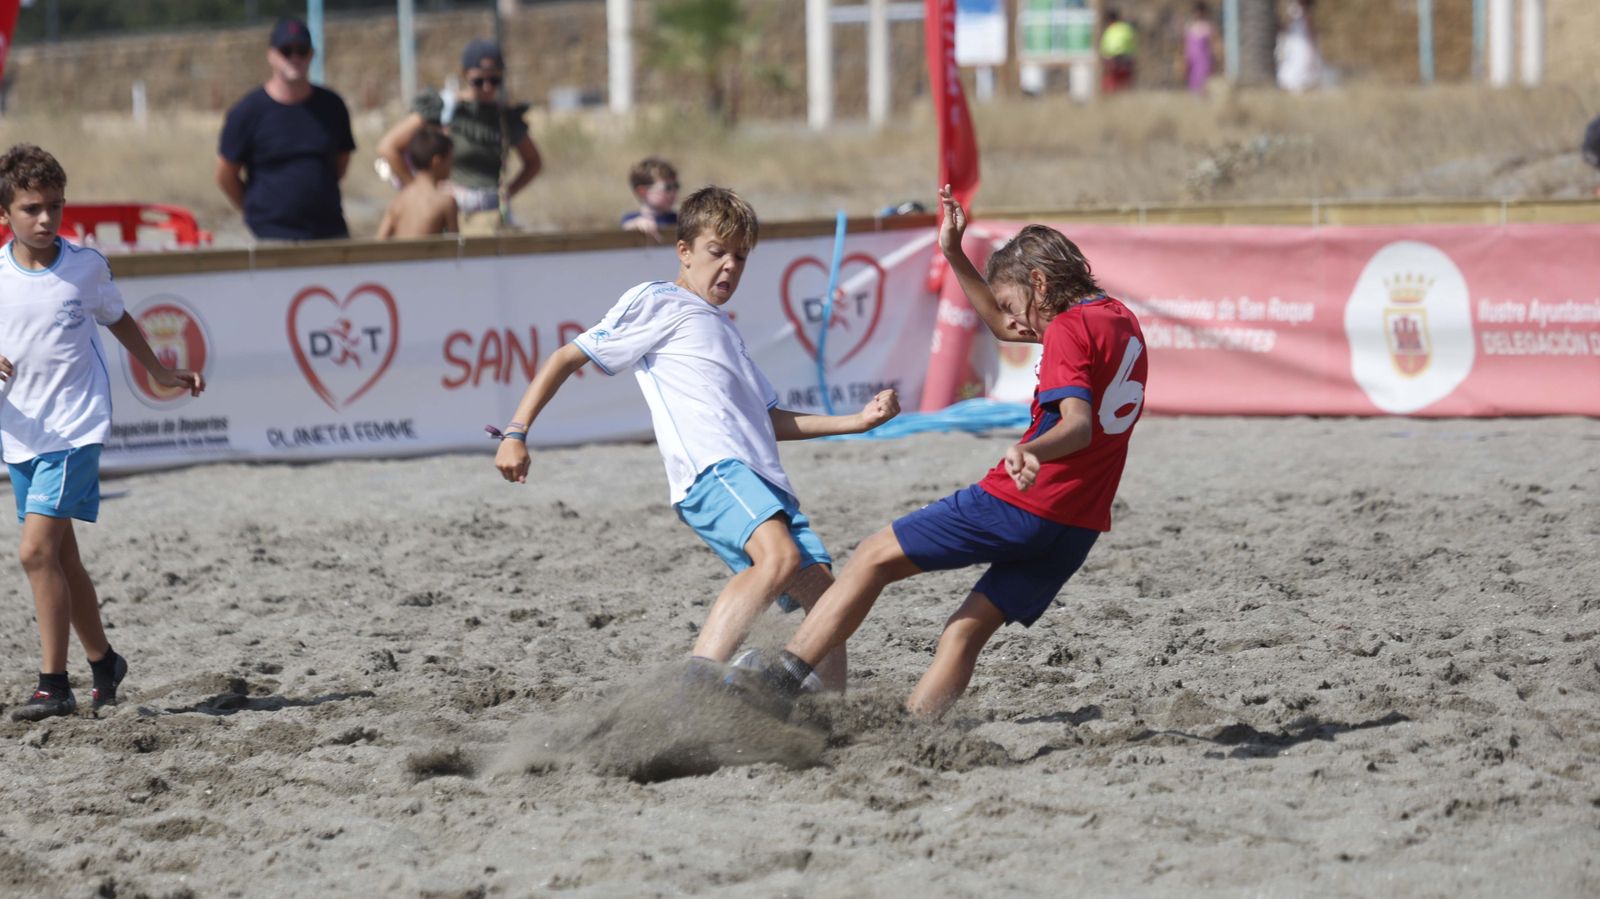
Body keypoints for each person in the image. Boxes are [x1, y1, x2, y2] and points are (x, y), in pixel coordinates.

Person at [727, 184, 1148, 721]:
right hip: (1077, 525)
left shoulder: (1065, 328)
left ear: (1040, 283)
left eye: (1019, 306)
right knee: (963, 634)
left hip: (1025, 501)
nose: (1016, 324)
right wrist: (953, 250)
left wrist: (1029, 450)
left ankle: (779, 681)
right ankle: (914, 731)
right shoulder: (1116, 318)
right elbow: (1004, 325)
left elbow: (1079, 426)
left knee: (872, 557)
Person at [492, 186, 900, 689]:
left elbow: (770, 420)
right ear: (684, 251)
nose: (729, 265)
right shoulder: (660, 299)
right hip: (714, 470)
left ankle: (822, 713)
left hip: (761, 479)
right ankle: (694, 689)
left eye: (740, 256)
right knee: (779, 559)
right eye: (717, 251)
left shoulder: (725, 330)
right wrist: (516, 432)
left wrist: (856, 422)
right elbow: (565, 357)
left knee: (828, 598)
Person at [0, 144, 206, 722]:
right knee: (63, 558)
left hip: (74, 428)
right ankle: (104, 661)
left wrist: (162, 371)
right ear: (6, 213)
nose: (46, 220)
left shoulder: (85, 266)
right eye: (31, 208)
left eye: (55, 207)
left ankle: (53, 684)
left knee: (35, 552)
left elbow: (118, 318)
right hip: (20, 433)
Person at [376, 39, 542, 237]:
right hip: (447, 207)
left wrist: (506, 195)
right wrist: (418, 190)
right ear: (465, 74)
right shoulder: (445, 109)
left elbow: (533, 162)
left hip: (489, 215)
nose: (487, 87)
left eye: (494, 80)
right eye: (479, 81)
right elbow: (388, 147)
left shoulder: (505, 118)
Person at [216, 17, 357, 241]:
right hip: (271, 236)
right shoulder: (247, 111)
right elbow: (226, 175)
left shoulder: (332, 106)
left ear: (311, 55)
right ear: (271, 55)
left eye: (301, 50)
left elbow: (341, 162)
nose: (294, 58)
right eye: (286, 50)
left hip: (329, 233)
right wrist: (255, 210)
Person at [377, 127, 458, 239]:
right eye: (450, 160)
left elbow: (380, 241)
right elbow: (457, 248)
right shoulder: (446, 202)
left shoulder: (399, 200)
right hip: (430, 256)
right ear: (437, 161)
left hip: (402, 256)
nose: (451, 167)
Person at [621, 157, 680, 242]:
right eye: (668, 187)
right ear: (642, 192)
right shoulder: (631, 218)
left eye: (676, 186)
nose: (673, 192)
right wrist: (638, 224)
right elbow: (625, 227)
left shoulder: (678, 219)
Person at [1276, 0, 1324, 94]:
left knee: (1301, 60)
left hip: (1301, 41)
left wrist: (1312, 43)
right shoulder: (1292, 8)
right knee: (1294, 61)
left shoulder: (1305, 12)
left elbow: (1309, 28)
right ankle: (1292, 85)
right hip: (1294, 40)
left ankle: (1299, 85)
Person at [1184, 2, 1219, 96]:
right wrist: (1185, 61)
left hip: (1204, 61)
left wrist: (1215, 60)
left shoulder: (1208, 27)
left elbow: (1215, 45)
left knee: (1206, 85)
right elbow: (1186, 46)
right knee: (1193, 85)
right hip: (1193, 62)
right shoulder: (1189, 27)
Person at [1099, 9, 1138, 94]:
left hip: (1112, 59)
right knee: (1126, 80)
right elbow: (1133, 42)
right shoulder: (1126, 28)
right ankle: (1125, 93)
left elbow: (1105, 47)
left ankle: (1111, 94)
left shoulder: (1109, 30)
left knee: (1111, 79)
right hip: (1126, 58)